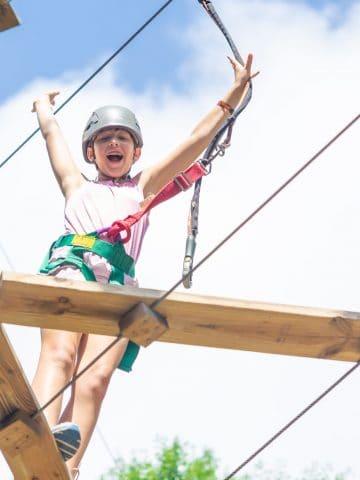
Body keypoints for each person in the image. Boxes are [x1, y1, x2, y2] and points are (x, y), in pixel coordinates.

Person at [31, 53, 258, 478]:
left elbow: (193, 141)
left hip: (118, 284)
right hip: (73, 267)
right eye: (104, 139)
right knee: (61, 353)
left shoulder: (144, 186)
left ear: (135, 151)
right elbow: (52, 138)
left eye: (122, 138)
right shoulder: (76, 185)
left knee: (96, 380)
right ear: (91, 152)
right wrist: (43, 107)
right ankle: (39, 429)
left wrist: (233, 94)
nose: (113, 144)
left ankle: (68, 468)